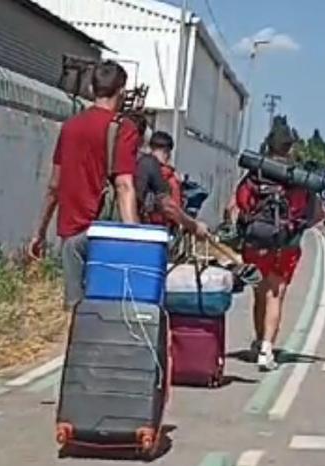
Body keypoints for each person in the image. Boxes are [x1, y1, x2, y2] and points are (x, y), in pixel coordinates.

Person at [28, 61, 140, 309]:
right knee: (110, 308)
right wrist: (134, 238)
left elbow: (54, 186)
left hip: (72, 236)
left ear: (91, 87)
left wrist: (40, 232)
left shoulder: (70, 128)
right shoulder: (123, 128)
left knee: (78, 311)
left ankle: (78, 347)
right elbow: (123, 185)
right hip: (106, 233)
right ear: (121, 90)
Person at [235, 129, 324, 371]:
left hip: (255, 242)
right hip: (286, 245)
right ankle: (267, 350)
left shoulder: (256, 174)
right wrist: (298, 225)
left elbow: (238, 204)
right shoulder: (300, 180)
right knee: (276, 294)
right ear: (290, 148)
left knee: (259, 293)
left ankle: (258, 341)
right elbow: (317, 215)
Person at [136, 130, 209, 238]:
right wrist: (194, 226)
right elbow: (171, 208)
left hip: (137, 228)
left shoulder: (138, 166)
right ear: (167, 152)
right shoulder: (169, 177)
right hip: (160, 233)